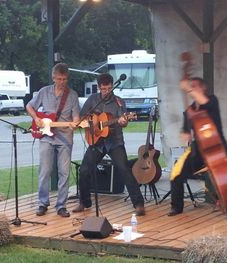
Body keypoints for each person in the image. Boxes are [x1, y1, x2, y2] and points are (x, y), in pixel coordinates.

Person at [168, 77, 227, 218]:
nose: (192, 89)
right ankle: (176, 206)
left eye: (195, 86)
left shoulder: (211, 101)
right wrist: (185, 134)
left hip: (218, 146)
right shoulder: (190, 110)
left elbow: (203, 101)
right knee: (176, 173)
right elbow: (185, 132)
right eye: (191, 86)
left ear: (203, 88)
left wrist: (188, 88)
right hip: (198, 150)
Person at [72, 73, 145, 216]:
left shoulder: (119, 102)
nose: (107, 92)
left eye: (109, 88)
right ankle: (84, 202)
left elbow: (123, 121)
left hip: (115, 142)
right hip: (96, 141)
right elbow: (82, 117)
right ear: (99, 88)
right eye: (104, 89)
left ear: (113, 87)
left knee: (124, 169)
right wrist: (91, 126)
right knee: (84, 170)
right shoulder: (93, 100)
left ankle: (139, 204)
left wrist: (124, 121)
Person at [26, 63, 80, 217]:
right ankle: (42, 203)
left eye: (65, 79)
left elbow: (76, 116)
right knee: (45, 171)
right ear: (53, 78)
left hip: (65, 137)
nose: (62, 82)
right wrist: (36, 118)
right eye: (59, 79)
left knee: (64, 173)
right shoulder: (44, 92)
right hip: (46, 136)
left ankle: (61, 205)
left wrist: (76, 123)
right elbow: (29, 106)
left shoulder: (73, 95)